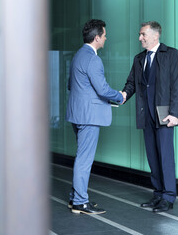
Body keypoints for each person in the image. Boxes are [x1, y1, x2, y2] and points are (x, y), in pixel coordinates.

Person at [121, 21, 178, 213]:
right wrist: (121, 96)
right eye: (140, 35)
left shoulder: (171, 54)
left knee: (165, 155)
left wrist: (175, 114)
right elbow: (131, 83)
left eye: (143, 34)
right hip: (145, 114)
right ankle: (158, 194)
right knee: (153, 156)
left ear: (155, 35)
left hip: (164, 114)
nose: (140, 38)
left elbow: (177, 85)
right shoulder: (139, 58)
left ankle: (169, 196)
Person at [66, 19, 125, 215]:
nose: (106, 38)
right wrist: (120, 96)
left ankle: (75, 198)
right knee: (84, 159)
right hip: (89, 116)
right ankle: (81, 202)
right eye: (105, 35)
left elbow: (71, 85)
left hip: (77, 114)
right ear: (97, 37)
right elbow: (102, 89)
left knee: (81, 157)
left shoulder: (77, 56)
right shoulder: (93, 59)